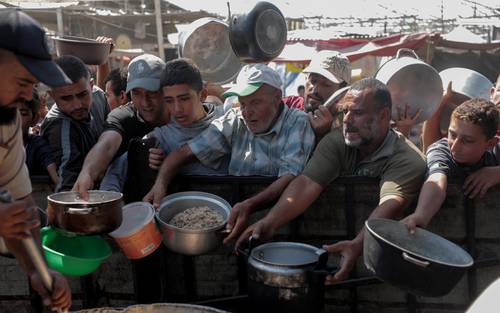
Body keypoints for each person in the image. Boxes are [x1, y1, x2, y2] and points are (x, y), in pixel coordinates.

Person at [235, 78, 426, 284]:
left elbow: (390, 203)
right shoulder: (337, 141)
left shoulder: (408, 159)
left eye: (358, 113)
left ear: (384, 116)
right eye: (345, 112)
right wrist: (269, 223)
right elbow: (307, 183)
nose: (347, 120)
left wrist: (357, 244)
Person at [144, 64, 315, 242]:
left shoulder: (297, 122)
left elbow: (289, 178)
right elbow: (185, 152)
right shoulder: (234, 119)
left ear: (277, 98)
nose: (247, 112)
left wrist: (249, 204)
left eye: (256, 102)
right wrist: (161, 184)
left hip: (280, 225)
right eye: (243, 103)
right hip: (235, 222)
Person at [0, 8, 71, 311]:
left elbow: (22, 207)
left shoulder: (9, 122)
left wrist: (38, 269)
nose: (28, 94)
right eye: (23, 80)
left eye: (34, 83)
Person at [73, 54, 169, 200]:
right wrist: (87, 173)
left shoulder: (181, 114)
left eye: (152, 92)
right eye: (137, 93)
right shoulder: (124, 116)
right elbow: (107, 144)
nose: (145, 102)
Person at [403, 99, 499, 231]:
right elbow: (436, 180)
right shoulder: (441, 150)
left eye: (468, 141)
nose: (455, 146)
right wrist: (421, 215)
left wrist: (497, 173)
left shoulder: (495, 153)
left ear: (490, 144)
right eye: (452, 135)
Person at [41, 55, 108, 191]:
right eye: (66, 98)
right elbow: (68, 182)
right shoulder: (59, 127)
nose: (77, 105)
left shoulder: (99, 97)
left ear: (91, 85)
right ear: (52, 95)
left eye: (82, 94)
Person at [285, 50, 352, 141]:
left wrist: (324, 134)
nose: (315, 90)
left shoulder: (347, 123)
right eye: (313, 81)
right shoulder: (288, 105)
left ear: (341, 92)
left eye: (325, 84)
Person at [19, 90, 59, 186]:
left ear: (34, 119)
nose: (14, 119)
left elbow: (55, 175)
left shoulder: (37, 145)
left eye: (23, 114)